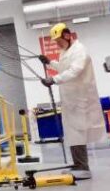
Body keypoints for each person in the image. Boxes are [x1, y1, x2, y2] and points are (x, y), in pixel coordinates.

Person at [40, 23, 104, 180]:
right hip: (71, 99)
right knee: (73, 133)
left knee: (78, 132)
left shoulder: (79, 50)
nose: (57, 44)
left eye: (58, 41)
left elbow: (75, 70)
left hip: (80, 98)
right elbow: (64, 68)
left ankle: (83, 167)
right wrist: (49, 62)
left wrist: (54, 79)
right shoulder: (65, 51)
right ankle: (77, 165)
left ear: (67, 36)